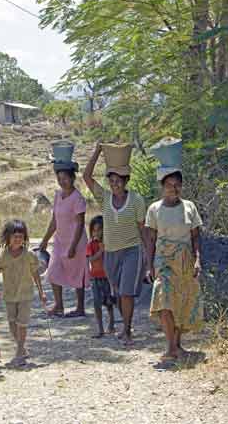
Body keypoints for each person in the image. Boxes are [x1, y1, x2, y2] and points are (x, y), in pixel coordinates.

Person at [83, 142, 146, 345]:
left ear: (125, 180)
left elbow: (143, 230)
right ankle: (126, 325)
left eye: (118, 180)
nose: (114, 184)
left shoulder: (136, 200)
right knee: (118, 292)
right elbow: (86, 177)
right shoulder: (105, 198)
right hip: (111, 253)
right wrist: (97, 151)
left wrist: (148, 257)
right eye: (111, 180)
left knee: (126, 292)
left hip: (131, 251)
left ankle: (127, 331)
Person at [146, 170, 203, 361]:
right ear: (162, 187)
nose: (174, 188)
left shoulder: (189, 207)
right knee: (163, 299)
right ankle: (170, 346)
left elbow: (195, 236)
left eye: (177, 184)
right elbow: (151, 239)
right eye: (169, 185)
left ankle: (177, 345)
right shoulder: (154, 209)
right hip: (163, 261)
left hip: (185, 260)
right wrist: (149, 265)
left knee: (182, 301)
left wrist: (197, 260)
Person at [0, 220, 46, 366]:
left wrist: (41, 292)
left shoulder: (29, 255)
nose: (18, 239)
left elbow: (35, 274)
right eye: (15, 236)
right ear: (8, 237)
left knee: (22, 323)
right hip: (9, 295)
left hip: (25, 294)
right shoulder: (3, 256)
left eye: (21, 236)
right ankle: (22, 349)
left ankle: (20, 351)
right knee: (12, 324)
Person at [40, 168, 89, 317]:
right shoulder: (57, 195)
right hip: (60, 241)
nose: (62, 181)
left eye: (65, 178)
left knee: (77, 273)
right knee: (54, 271)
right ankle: (59, 305)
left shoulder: (77, 198)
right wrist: (45, 240)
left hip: (76, 241)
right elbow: (54, 221)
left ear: (72, 178)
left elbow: (80, 224)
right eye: (59, 178)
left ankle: (80, 308)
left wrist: (73, 246)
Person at [87, 215, 115, 338]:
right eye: (94, 230)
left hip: (108, 277)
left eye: (99, 229)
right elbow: (90, 260)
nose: (97, 232)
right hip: (95, 277)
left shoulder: (109, 243)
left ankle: (112, 323)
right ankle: (100, 329)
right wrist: (100, 251)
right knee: (97, 302)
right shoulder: (91, 245)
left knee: (109, 301)